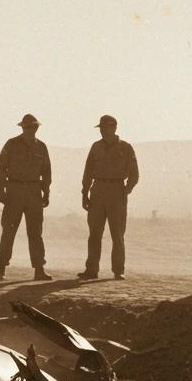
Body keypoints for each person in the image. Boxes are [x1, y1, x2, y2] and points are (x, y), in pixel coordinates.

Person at [0, 113, 53, 282]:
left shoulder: (41, 147)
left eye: (33, 127)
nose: (30, 130)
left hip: (34, 192)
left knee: (35, 233)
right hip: (15, 191)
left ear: (37, 128)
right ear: (22, 128)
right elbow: (0, 168)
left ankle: (39, 269)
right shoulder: (11, 144)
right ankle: (1, 269)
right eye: (27, 127)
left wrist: (46, 192)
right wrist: (2, 190)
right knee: (8, 231)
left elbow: (46, 172)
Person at [78, 115, 139, 280]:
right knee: (94, 233)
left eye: (104, 128)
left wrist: (125, 191)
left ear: (114, 127)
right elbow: (88, 171)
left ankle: (118, 270)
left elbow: (134, 174)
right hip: (97, 191)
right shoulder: (96, 147)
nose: (102, 131)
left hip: (117, 191)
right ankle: (91, 270)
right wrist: (85, 193)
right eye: (101, 128)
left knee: (117, 233)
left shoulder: (125, 148)